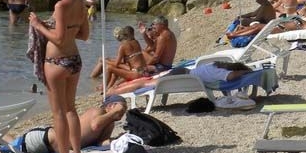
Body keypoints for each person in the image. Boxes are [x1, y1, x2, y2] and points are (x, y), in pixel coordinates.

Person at [28, 0, 90, 153]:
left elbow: (59, 39)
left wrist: (39, 25)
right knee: (71, 109)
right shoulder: (81, 4)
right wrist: (67, 28)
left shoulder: (61, 6)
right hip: (74, 60)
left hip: (56, 62)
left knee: (58, 113)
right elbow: (84, 35)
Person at [0, 95, 128, 153]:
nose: (121, 114)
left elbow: (101, 142)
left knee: (15, 145)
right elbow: (95, 125)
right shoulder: (97, 111)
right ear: (110, 106)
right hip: (44, 140)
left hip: (48, 143)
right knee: (5, 152)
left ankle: (0, 134)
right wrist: (115, 112)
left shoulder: (109, 122)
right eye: (121, 109)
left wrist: (122, 141)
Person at [107, 62, 254, 96]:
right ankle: (112, 92)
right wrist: (245, 72)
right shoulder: (220, 72)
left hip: (183, 72)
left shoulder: (215, 65)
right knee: (145, 83)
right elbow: (232, 76)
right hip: (183, 76)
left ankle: (114, 89)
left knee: (145, 81)